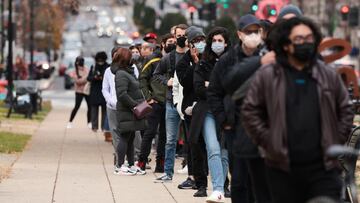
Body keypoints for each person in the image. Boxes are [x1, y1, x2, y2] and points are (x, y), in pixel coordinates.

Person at [242, 17, 354, 203]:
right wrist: (270, 142)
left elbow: (345, 109)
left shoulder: (327, 74)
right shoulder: (269, 75)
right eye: (299, 39)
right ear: (286, 44)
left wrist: (335, 139)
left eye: (309, 38)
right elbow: (250, 111)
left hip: (323, 168)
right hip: (282, 167)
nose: (305, 44)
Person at [221, 14, 276, 203]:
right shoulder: (232, 58)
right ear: (240, 34)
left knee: (262, 184)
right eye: (249, 32)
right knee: (240, 179)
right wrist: (225, 119)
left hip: (271, 131)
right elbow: (222, 87)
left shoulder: (277, 58)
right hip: (239, 127)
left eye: (258, 32)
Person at [192, 26, 232, 202]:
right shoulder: (203, 63)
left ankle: (222, 186)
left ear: (226, 43)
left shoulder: (233, 62)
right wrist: (218, 86)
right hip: (207, 111)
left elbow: (234, 87)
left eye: (220, 41)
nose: (217, 44)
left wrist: (212, 85)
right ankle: (217, 189)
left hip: (226, 112)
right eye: (214, 41)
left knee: (224, 151)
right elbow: (199, 89)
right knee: (213, 148)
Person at [153, 24, 188, 183]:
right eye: (178, 36)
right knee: (170, 139)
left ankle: (193, 173)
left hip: (188, 103)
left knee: (192, 139)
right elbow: (156, 75)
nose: (181, 38)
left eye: (183, 36)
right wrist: (167, 81)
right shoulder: (168, 58)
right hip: (171, 102)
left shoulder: (192, 57)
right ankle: (168, 172)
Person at [176, 26, 208, 196]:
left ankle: (215, 179)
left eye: (201, 40)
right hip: (190, 109)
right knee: (194, 145)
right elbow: (185, 83)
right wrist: (195, 64)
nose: (199, 44)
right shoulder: (183, 62)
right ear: (189, 44)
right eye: (195, 41)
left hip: (208, 107)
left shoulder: (210, 57)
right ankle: (197, 178)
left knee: (211, 145)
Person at [137, 34, 175, 173]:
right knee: (149, 133)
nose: (173, 44)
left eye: (174, 42)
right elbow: (142, 79)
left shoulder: (175, 58)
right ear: (163, 43)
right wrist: (148, 98)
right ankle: (142, 161)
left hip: (170, 102)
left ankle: (160, 164)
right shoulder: (153, 59)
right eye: (170, 42)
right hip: (155, 102)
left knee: (165, 135)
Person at [111, 47, 147, 175]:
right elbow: (122, 94)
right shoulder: (121, 74)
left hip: (131, 110)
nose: (133, 58)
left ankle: (131, 164)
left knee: (130, 138)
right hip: (127, 110)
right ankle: (119, 166)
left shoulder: (128, 72)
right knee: (125, 137)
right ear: (125, 59)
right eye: (130, 56)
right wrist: (135, 105)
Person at [67, 56, 91, 129]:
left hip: (87, 90)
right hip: (79, 91)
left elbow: (89, 78)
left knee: (90, 107)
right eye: (80, 61)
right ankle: (70, 122)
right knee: (76, 107)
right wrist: (85, 78)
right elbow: (78, 81)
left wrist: (83, 79)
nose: (81, 63)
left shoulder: (87, 69)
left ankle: (89, 122)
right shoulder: (74, 71)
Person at [87, 52, 108, 132]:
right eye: (99, 60)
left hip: (104, 91)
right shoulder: (93, 67)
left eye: (101, 60)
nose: (100, 61)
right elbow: (88, 78)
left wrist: (102, 78)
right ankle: (94, 126)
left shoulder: (107, 67)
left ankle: (103, 127)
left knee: (104, 111)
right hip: (95, 91)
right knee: (94, 110)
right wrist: (95, 77)